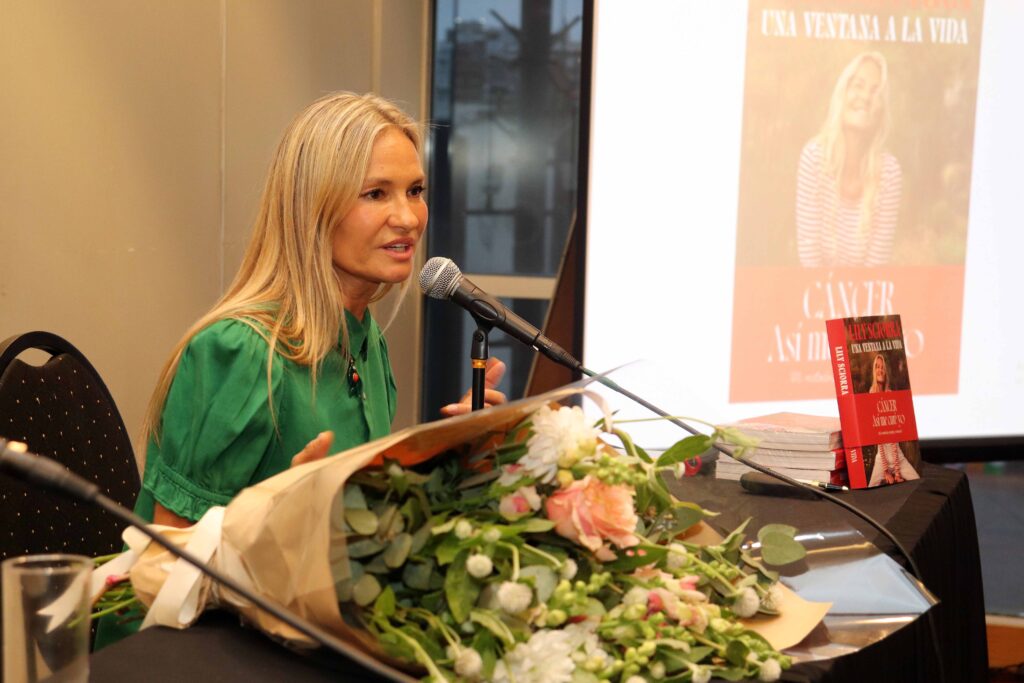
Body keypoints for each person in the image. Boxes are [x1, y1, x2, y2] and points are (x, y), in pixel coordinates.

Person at [796, 51, 902, 267]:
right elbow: (809, 260)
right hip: (816, 293)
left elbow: (876, 268)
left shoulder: (890, 173)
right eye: (858, 86)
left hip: (865, 298)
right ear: (842, 94)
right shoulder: (814, 158)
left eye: (875, 91)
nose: (865, 97)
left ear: (881, 109)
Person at [865, 353, 919, 486]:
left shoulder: (892, 395)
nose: (880, 370)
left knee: (917, 481)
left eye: (882, 367)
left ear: (886, 371)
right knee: (870, 486)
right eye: (877, 367)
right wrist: (886, 471)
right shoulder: (870, 395)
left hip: (898, 457)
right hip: (880, 458)